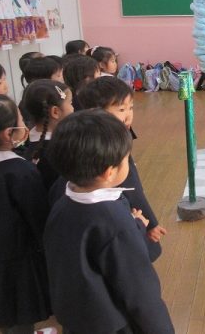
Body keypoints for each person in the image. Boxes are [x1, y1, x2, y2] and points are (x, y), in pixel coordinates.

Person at [44, 110, 174, 334]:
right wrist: (133, 227)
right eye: (126, 159)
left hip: (77, 320)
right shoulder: (115, 223)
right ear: (109, 172)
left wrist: (133, 224)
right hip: (114, 326)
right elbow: (141, 295)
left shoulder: (61, 203)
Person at [69, 76, 166, 261]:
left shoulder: (85, 136)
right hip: (122, 218)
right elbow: (132, 188)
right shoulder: (110, 145)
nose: (129, 115)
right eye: (121, 109)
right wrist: (149, 223)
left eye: (131, 108)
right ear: (95, 111)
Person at [0, 95, 52, 334]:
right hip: (16, 265)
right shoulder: (20, 171)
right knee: (18, 319)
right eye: (21, 120)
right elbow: (38, 218)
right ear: (8, 133)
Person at [21, 80, 74, 191]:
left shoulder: (29, 143)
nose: (73, 108)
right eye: (70, 103)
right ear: (55, 112)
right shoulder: (59, 150)